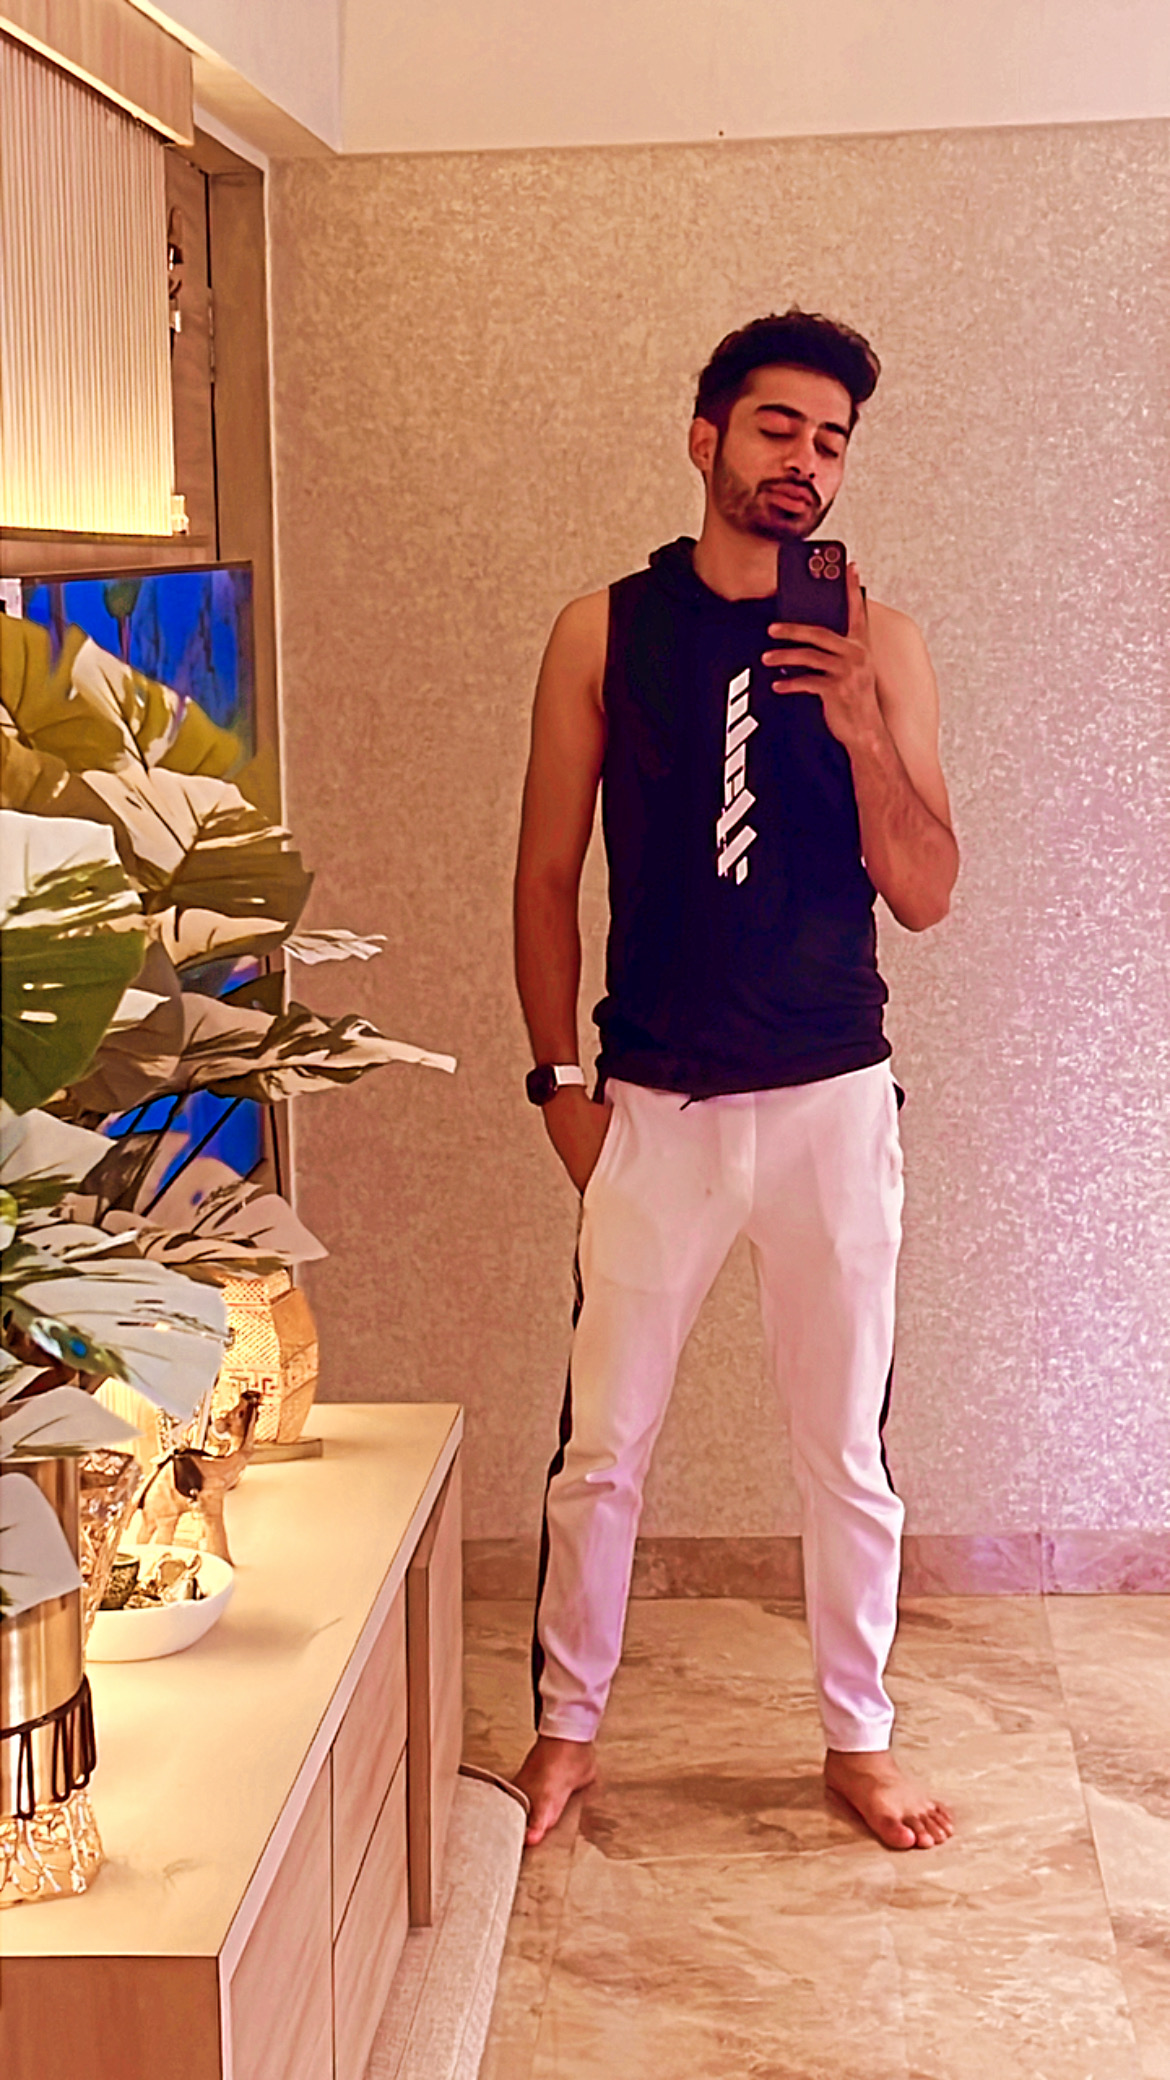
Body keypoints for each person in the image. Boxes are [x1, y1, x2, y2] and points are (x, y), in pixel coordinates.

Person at [511, 309, 959, 1853]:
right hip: (654, 1108)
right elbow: (546, 872)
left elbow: (927, 891)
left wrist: (858, 728)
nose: (804, 462)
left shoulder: (882, 643)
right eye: (777, 427)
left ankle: (858, 1736)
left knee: (844, 1451)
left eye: (830, 442)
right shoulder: (601, 631)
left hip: (833, 1101)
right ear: (704, 436)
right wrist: (557, 1083)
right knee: (601, 1451)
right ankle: (566, 1732)